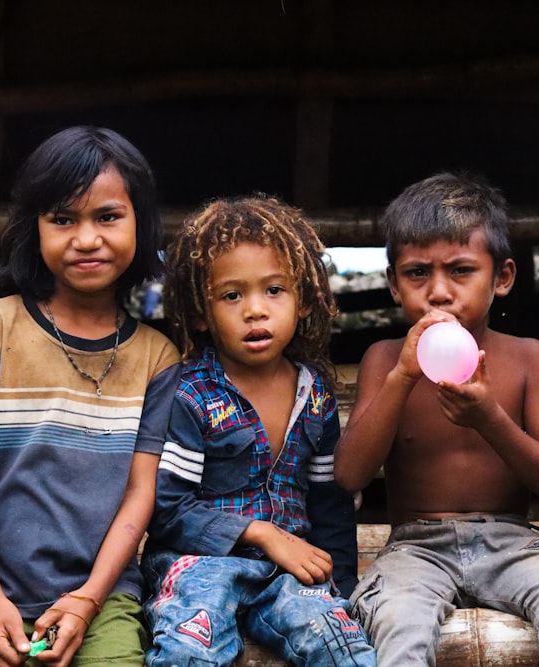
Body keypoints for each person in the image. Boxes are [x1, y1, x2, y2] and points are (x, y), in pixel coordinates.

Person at [0, 126, 182, 666]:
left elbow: (141, 493)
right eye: (63, 219)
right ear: (34, 229)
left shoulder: (159, 358)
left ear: (142, 223)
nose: (86, 238)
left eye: (107, 216)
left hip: (103, 597)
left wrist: (87, 602)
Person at [335, 172, 539, 666]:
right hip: (416, 547)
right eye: (417, 274)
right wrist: (401, 378)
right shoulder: (384, 358)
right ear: (393, 284)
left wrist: (490, 419)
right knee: (395, 621)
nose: (438, 292)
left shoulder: (528, 358)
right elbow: (350, 473)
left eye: (461, 271)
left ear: (501, 278)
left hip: (514, 543)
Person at [140, 196, 375, 667]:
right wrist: (259, 532)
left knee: (341, 647)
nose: (255, 310)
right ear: (201, 313)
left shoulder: (316, 396)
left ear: (304, 299)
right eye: (232, 295)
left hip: (290, 573)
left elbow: (328, 505)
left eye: (274, 290)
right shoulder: (188, 394)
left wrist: (341, 589)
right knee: (189, 650)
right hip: (199, 569)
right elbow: (166, 509)